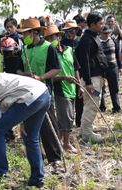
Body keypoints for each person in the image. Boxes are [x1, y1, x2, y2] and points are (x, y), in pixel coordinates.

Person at [17, 18, 62, 167]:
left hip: (44, 91)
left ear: (35, 33)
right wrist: (25, 75)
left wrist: (40, 77)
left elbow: (56, 69)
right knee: (28, 127)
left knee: (48, 126)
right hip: (27, 93)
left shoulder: (48, 48)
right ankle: (37, 157)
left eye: (26, 34)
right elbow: (18, 70)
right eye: (22, 35)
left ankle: (55, 157)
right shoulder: (24, 49)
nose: (23, 37)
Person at [44, 24, 82, 153]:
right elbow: (49, 76)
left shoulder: (69, 50)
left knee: (69, 116)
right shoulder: (49, 53)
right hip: (59, 89)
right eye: (48, 38)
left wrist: (79, 85)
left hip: (72, 88)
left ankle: (60, 142)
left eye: (54, 36)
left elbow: (75, 67)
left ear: (60, 37)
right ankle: (66, 143)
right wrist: (64, 78)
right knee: (66, 117)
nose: (52, 40)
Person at [75, 12, 108, 143]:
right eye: (100, 23)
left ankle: (85, 131)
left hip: (96, 77)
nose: (103, 25)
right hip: (91, 79)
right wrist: (88, 82)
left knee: (90, 106)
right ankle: (87, 134)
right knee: (91, 106)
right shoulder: (86, 39)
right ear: (92, 24)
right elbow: (85, 62)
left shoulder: (94, 37)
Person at [0, 17, 24, 141]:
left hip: (18, 72)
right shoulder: (3, 38)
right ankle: (8, 132)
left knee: (20, 101)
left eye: (11, 27)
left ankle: (23, 130)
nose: (9, 29)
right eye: (7, 27)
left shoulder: (20, 38)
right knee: (6, 102)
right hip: (7, 72)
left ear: (16, 27)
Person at [61, 20, 84, 128]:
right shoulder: (63, 43)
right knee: (68, 100)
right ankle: (68, 122)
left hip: (80, 73)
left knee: (80, 99)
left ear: (76, 31)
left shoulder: (80, 41)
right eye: (68, 31)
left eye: (73, 31)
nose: (70, 33)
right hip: (66, 75)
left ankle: (79, 122)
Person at [99, 25, 121, 114]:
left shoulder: (113, 41)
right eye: (105, 33)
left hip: (113, 67)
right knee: (101, 88)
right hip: (101, 68)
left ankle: (116, 108)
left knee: (114, 88)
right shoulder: (97, 42)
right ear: (101, 33)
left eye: (108, 33)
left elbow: (117, 54)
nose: (107, 34)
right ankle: (101, 107)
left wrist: (119, 67)